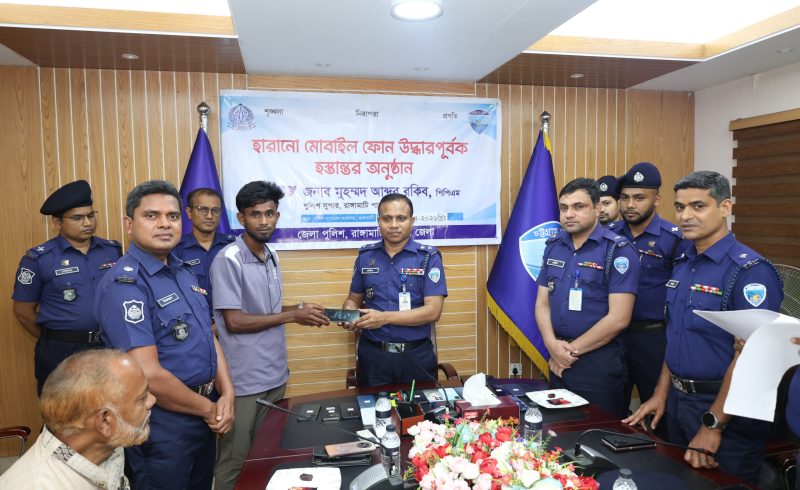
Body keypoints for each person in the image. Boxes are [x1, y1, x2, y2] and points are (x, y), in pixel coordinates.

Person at [624, 171, 783, 484]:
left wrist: (713, 425)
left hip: (726, 413)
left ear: (725, 208)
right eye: (680, 207)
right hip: (678, 404)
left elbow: (753, 359)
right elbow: (677, 335)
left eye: (698, 206)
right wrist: (660, 393)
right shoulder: (684, 262)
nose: (685, 216)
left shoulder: (750, 272)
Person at [94, 180, 235, 490]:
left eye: (172, 216)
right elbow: (148, 374)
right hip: (161, 423)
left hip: (203, 412)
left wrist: (227, 393)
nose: (164, 224)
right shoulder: (124, 284)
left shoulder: (183, 272)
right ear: (129, 224)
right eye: (151, 215)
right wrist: (210, 410)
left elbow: (208, 336)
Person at [209, 181, 328, 490]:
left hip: (275, 377)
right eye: (255, 214)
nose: (264, 221)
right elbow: (234, 321)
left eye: (270, 213)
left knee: (267, 458)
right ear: (241, 218)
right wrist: (292, 315)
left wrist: (301, 311)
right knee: (235, 461)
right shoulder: (228, 259)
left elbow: (266, 310)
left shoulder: (271, 254)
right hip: (244, 383)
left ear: (277, 215)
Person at [535, 177, 639, 418]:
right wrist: (552, 345)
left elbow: (619, 318)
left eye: (578, 207)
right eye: (564, 208)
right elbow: (542, 303)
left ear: (597, 208)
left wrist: (568, 353)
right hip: (557, 359)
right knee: (558, 432)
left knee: (596, 433)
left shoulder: (617, 251)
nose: (569, 214)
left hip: (597, 364)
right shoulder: (554, 246)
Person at [12, 179, 122, 395]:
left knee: (108, 406)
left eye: (91, 215)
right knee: (63, 410)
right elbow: (22, 311)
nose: (87, 222)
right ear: (57, 222)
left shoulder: (112, 251)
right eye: (77, 218)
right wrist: (54, 337)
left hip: (107, 346)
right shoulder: (38, 259)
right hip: (61, 350)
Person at [0, 349, 155, 490]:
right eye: (142, 398)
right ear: (105, 421)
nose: (152, 400)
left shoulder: (108, 444)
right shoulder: (39, 485)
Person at [341, 193, 448, 386]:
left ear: (412, 221)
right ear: (378, 221)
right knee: (372, 406)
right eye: (387, 219)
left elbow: (433, 311)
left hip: (416, 356)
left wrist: (384, 318)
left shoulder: (428, 258)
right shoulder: (365, 257)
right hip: (373, 356)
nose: (394, 225)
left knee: (419, 406)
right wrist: (349, 312)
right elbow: (353, 299)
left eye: (401, 218)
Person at [611, 162, 683, 421]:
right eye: (625, 198)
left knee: (658, 413)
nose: (630, 205)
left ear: (656, 200)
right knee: (610, 409)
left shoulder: (673, 239)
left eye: (639, 198)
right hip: (612, 336)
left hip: (652, 338)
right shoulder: (609, 235)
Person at [173, 188, 235, 312]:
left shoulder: (232, 247)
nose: (209, 216)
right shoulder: (176, 250)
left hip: (229, 318)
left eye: (215, 210)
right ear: (189, 212)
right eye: (202, 209)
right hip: (191, 319)